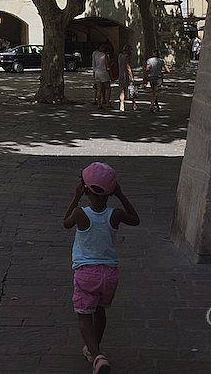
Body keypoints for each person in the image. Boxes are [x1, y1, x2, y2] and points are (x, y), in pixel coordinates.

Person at [64, 162, 140, 374]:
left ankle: (97, 356)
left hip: (86, 273)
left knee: (84, 317)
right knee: (99, 312)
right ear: (111, 191)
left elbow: (65, 223)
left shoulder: (80, 213)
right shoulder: (115, 214)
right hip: (109, 275)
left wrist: (76, 197)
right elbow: (135, 219)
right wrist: (121, 195)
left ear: (86, 189)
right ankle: (92, 350)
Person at [116, 44, 137, 112]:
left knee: (121, 90)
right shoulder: (127, 56)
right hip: (126, 75)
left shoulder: (119, 56)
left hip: (121, 74)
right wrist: (131, 76)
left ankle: (121, 105)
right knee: (132, 89)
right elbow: (128, 66)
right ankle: (134, 105)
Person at [90, 43, 111, 108]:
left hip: (97, 72)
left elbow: (94, 64)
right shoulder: (105, 55)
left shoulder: (96, 54)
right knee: (107, 87)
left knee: (99, 89)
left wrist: (94, 72)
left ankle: (99, 104)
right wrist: (110, 73)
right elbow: (107, 66)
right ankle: (107, 102)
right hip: (103, 72)